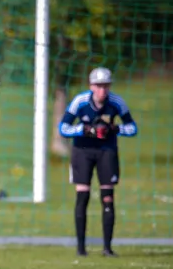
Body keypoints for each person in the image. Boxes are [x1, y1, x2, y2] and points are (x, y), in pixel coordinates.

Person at [59, 67, 138, 257]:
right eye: (98, 86)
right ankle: (81, 248)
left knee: (108, 198)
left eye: (105, 86)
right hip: (82, 152)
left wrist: (114, 129)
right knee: (82, 197)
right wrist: (84, 130)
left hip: (107, 152)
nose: (102, 90)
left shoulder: (116, 103)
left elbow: (132, 128)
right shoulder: (80, 101)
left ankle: (107, 248)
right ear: (91, 86)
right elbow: (63, 128)